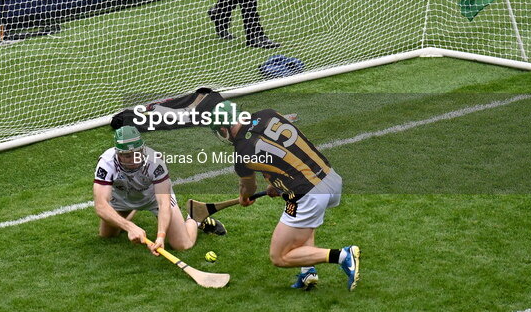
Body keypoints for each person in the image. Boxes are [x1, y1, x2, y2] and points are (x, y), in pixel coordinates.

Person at [210, 98, 359, 291]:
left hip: (309, 195)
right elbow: (286, 151)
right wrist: (279, 185)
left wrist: (244, 197)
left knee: (279, 256)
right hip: (330, 178)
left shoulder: (241, 153)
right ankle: (308, 271)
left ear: (224, 129)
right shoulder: (268, 114)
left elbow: (249, 187)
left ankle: (343, 256)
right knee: (301, 225)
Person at [93, 125, 226, 255]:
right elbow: (101, 206)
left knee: (182, 245)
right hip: (123, 199)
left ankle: (194, 218)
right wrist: (130, 227)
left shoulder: (155, 162)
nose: (134, 160)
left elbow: (164, 203)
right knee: (107, 235)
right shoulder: (106, 163)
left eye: (137, 153)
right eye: (127, 156)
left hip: (154, 199)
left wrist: (160, 236)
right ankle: (133, 209)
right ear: (118, 154)